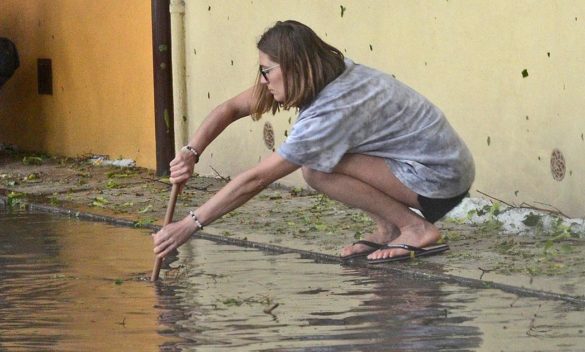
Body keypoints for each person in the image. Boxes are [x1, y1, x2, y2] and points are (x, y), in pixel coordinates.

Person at [153, 20, 474, 264]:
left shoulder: (331, 110)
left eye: (266, 71)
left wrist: (189, 225)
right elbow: (231, 107)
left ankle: (416, 229)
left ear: (293, 68)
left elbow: (258, 179)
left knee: (316, 170)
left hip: (439, 177)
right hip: (433, 163)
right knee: (327, 156)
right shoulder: (321, 74)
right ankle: (391, 229)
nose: (262, 80)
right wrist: (190, 152)